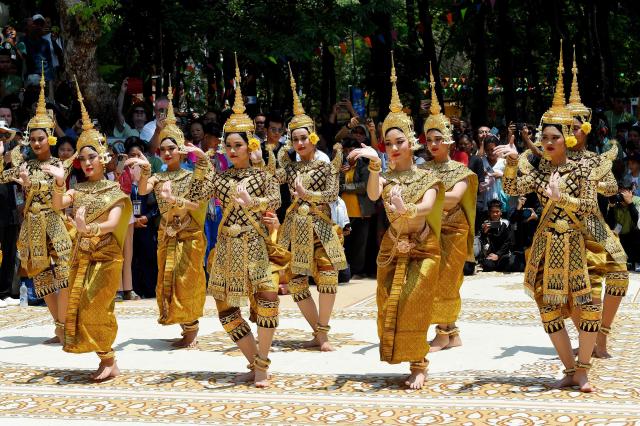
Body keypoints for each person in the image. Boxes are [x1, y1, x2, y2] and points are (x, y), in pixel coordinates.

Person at [495, 46, 602, 392]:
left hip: (576, 244)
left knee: (586, 308)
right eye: (545, 138)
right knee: (549, 310)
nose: (548, 143)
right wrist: (512, 161)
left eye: (554, 137)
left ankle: (584, 369)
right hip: (547, 246)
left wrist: (562, 198)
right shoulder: (541, 171)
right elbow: (513, 189)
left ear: (568, 138)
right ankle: (570, 369)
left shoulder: (582, 169)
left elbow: (588, 207)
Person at [348, 53, 444, 389]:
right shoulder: (386, 175)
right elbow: (374, 196)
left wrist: (407, 209)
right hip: (393, 246)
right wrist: (374, 166)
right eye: (388, 144)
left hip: (423, 246)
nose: (393, 148)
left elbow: (428, 206)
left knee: (414, 301)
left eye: (399, 142)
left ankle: (420, 363)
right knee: (390, 301)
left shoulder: (427, 176)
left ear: (412, 142)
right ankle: (403, 356)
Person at [188, 56, 286, 387]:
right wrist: (202, 166)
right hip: (228, 245)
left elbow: (276, 200)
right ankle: (255, 359)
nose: (231, 150)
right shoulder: (221, 176)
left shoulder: (262, 176)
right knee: (226, 309)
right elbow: (200, 195)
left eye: (238, 145)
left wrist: (253, 202)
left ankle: (262, 363)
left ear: (249, 145)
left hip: (254, 244)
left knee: (268, 298)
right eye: (228, 146)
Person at [44, 82, 131, 381]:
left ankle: (109, 359)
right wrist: (58, 182)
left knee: (97, 305)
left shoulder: (112, 188)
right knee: (83, 305)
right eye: (82, 158)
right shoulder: (77, 189)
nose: (87, 162)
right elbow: (58, 204)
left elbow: (113, 222)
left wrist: (87, 227)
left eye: (91, 157)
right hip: (84, 255)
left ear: (103, 158)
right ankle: (107, 359)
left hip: (107, 256)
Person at [126, 82, 207, 349]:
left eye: (172, 148)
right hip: (167, 236)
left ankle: (192, 331)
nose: (168, 152)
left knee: (188, 280)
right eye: (163, 149)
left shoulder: (190, 174)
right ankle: (185, 327)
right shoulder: (159, 176)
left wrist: (175, 200)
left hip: (190, 236)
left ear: (181, 149)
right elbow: (143, 188)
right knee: (170, 280)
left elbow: (196, 206)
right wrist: (145, 168)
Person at [271, 65, 346, 351]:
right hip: (296, 228)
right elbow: (272, 178)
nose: (299, 143)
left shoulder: (324, 163)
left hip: (322, 225)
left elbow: (332, 194)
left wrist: (307, 194)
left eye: (304, 138)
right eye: (295, 139)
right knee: (298, 283)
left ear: (312, 137)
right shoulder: (289, 166)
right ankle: (318, 331)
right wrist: (260, 158)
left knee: (328, 277)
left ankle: (323, 330)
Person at [562, 50, 629, 359]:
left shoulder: (596, 159)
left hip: (596, 225)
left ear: (585, 128)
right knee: (584, 290)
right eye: (566, 127)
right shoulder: (554, 161)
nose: (571, 132)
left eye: (575, 126)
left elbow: (612, 187)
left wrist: (596, 181)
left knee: (619, 273)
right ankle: (586, 338)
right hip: (568, 230)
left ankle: (601, 336)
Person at [0, 71, 72, 343]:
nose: (36, 143)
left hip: (53, 221)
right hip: (32, 224)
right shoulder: (24, 164)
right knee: (42, 278)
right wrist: (5, 149)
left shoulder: (59, 165)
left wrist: (34, 185)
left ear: (50, 138)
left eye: (41, 138)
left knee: (64, 273)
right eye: (32, 139)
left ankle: (66, 323)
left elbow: (59, 190)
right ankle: (59, 327)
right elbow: (1, 176)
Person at [420, 64, 477, 352]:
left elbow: (454, 199)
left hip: (454, 232)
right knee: (432, 280)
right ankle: (451, 332)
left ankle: (443, 333)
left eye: (438, 139)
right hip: (429, 230)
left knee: (447, 281)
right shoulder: (422, 169)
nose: (433, 144)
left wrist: (425, 195)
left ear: (449, 141)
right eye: (429, 139)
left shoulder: (460, 170)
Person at [479, 199, 514, 272]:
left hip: (503, 254)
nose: (495, 214)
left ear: (501, 212)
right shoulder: (485, 224)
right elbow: (482, 242)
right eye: (492, 212)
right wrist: (484, 233)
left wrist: (498, 255)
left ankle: (498, 264)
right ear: (489, 212)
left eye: (497, 212)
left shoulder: (506, 223)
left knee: (509, 264)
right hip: (490, 254)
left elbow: (508, 242)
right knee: (487, 265)